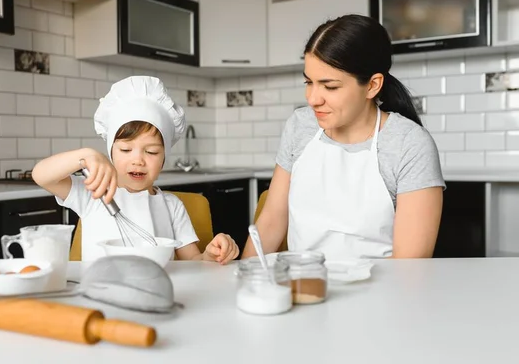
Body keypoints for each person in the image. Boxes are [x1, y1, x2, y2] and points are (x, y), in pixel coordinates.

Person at [242, 14, 445, 260]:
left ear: (372, 85)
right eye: (309, 82)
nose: (313, 98)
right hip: (306, 287)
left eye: (330, 87)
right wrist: (246, 279)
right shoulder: (300, 125)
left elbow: (409, 266)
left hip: (381, 294)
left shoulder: (409, 144)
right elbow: (272, 220)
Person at [32, 76, 239, 264]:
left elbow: (193, 261)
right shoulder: (93, 193)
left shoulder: (172, 206)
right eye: (126, 149)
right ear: (110, 152)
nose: (138, 160)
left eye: (151, 151)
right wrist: (85, 155)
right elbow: (41, 175)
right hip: (103, 293)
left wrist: (210, 256)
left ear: (164, 159)